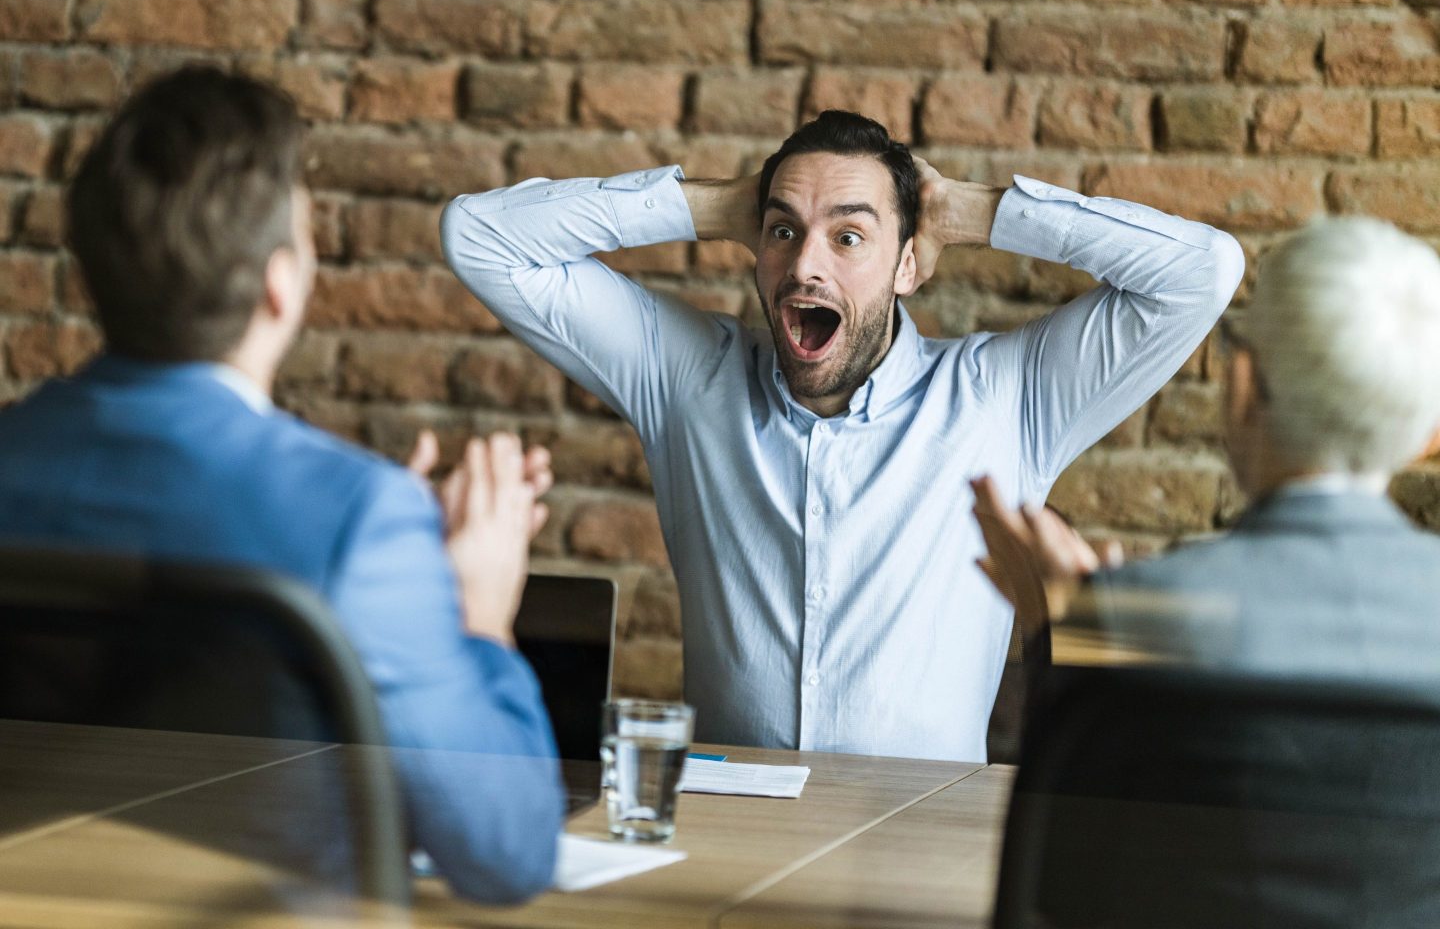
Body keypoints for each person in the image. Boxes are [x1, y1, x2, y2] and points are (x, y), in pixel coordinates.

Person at [441, 109, 1242, 761]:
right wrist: (715, 205)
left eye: (849, 236)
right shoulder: (689, 378)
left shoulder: (1006, 398)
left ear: (907, 266)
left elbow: (1203, 271)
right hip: (728, 850)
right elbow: (478, 236)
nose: (803, 268)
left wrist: (973, 212)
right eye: (784, 232)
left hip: (921, 863)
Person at [0, 68, 563, 903]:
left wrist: (390, 560)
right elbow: (504, 854)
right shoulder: (360, 518)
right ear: (279, 281)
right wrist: (477, 614)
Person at [973, 217, 1440, 677]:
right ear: (1429, 438)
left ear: (1240, 384)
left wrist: (1060, 621)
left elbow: (1073, 752)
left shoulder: (1128, 623)